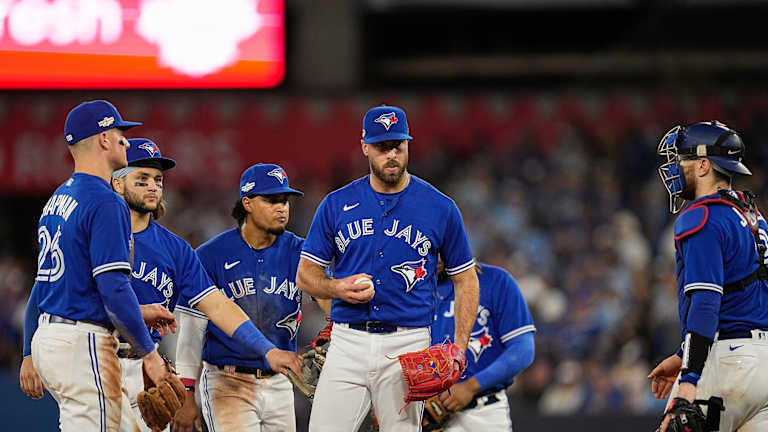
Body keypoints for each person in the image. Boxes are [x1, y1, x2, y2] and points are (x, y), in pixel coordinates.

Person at [297, 105, 480, 431]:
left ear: (408, 144)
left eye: (398, 145)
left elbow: (466, 278)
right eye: (382, 147)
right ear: (365, 147)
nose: (392, 154)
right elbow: (305, 275)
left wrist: (459, 349)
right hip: (347, 340)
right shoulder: (336, 204)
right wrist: (337, 288)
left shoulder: (440, 207)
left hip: (408, 344)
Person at [18, 100, 175, 430]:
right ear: (104, 138)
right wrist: (149, 354)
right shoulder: (106, 201)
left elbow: (46, 284)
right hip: (82, 343)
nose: (126, 142)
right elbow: (113, 288)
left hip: (51, 336)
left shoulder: (59, 198)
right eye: (120, 135)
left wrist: (29, 350)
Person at [649, 121, 768, 431]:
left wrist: (690, 378)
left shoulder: (701, 216)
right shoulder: (755, 219)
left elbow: (706, 301)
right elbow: (742, 297)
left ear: (703, 165)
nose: (675, 168)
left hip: (726, 364)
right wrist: (681, 354)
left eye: (682, 159)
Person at [174, 163, 306, 432]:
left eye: (284, 200)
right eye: (271, 200)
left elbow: (327, 299)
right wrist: (186, 393)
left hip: (281, 382)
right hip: (228, 382)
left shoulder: (301, 251)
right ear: (247, 203)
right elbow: (191, 331)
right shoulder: (210, 255)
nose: (281, 208)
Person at [431, 258, 535, 431]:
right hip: (426, 416)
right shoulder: (411, 290)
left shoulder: (494, 280)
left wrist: (471, 386)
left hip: (484, 413)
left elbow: (523, 350)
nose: (437, 256)